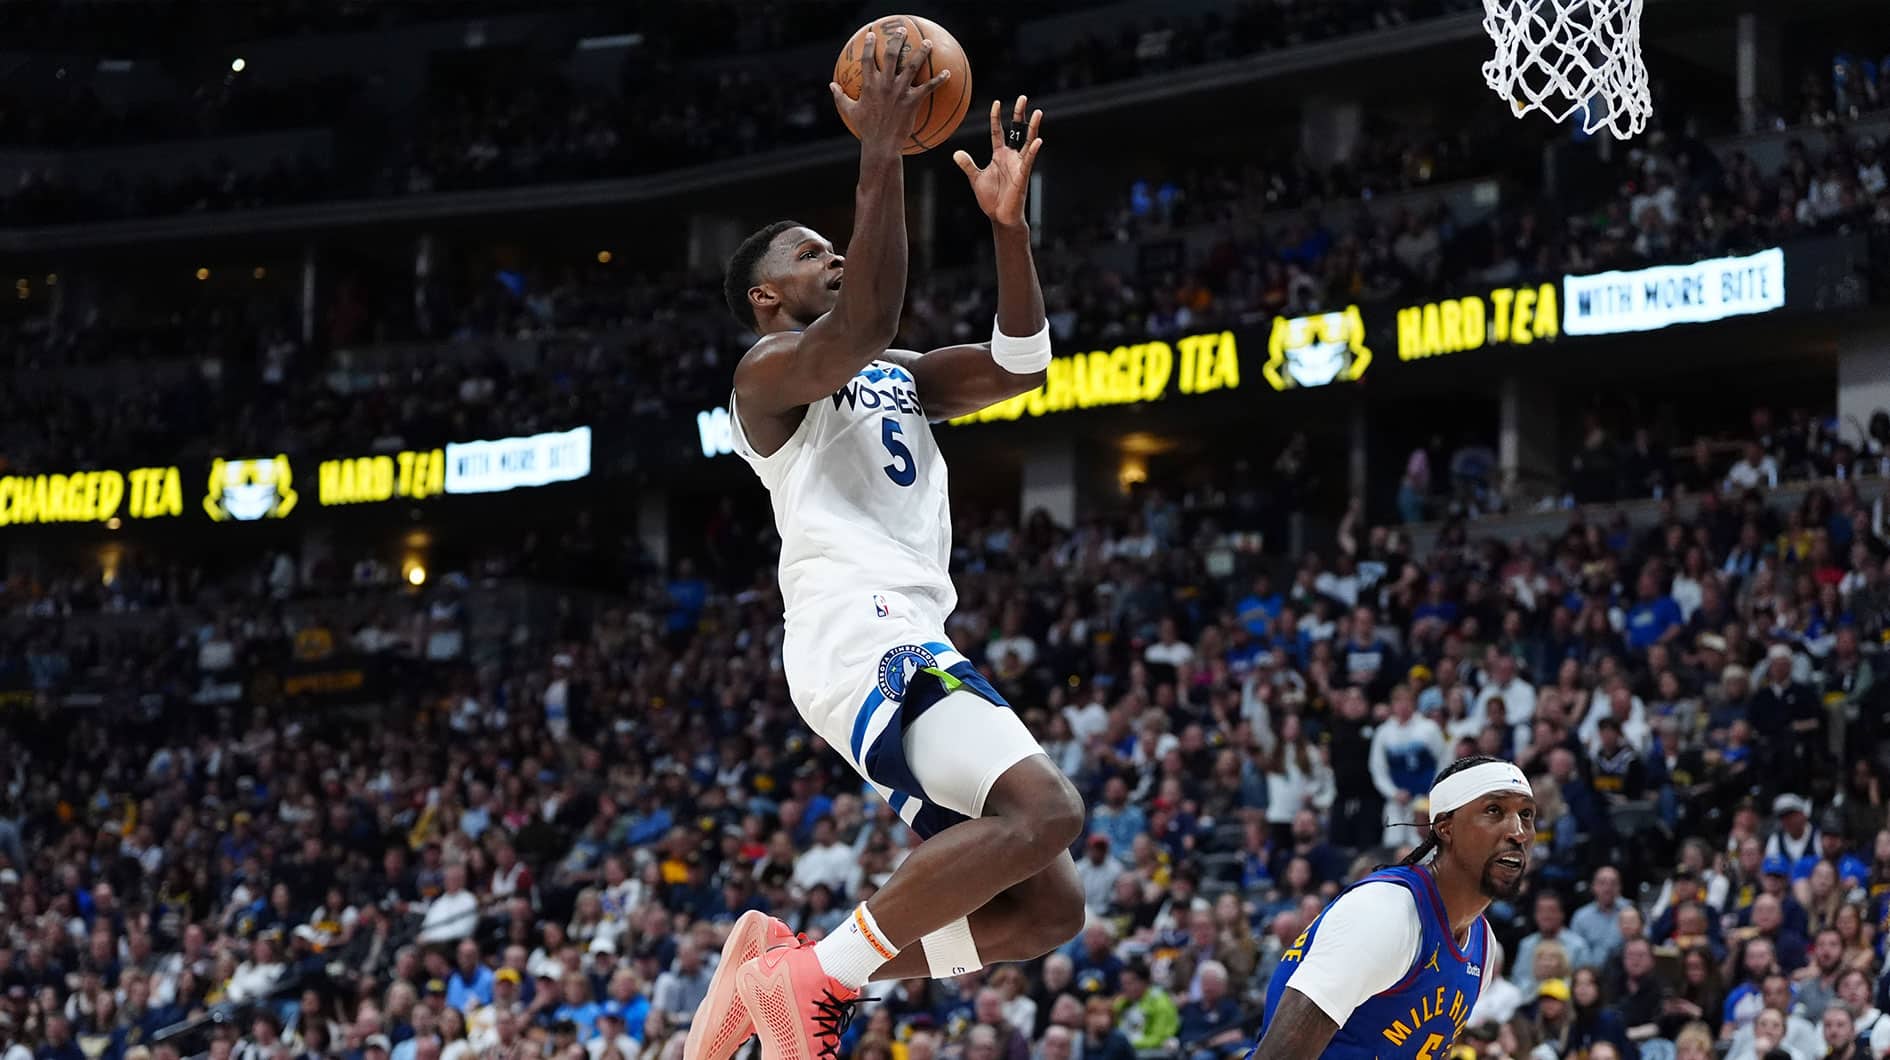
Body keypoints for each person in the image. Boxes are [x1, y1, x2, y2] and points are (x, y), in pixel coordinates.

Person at [695, 27, 1084, 1060]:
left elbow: (1020, 364)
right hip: (856, 629)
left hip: (903, 627)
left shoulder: (900, 369)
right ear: (767, 297)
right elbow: (860, 323)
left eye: (833, 241)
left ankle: (791, 972)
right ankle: (816, 980)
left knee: (1046, 910)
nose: (828, 250)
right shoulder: (766, 377)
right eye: (804, 251)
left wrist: (1009, 230)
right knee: (1047, 810)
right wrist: (881, 147)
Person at [1248, 755, 1533, 1058]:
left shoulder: (1483, 946)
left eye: (1526, 814)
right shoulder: (1387, 913)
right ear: (1445, 828)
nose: (1518, 831)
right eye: (1494, 810)